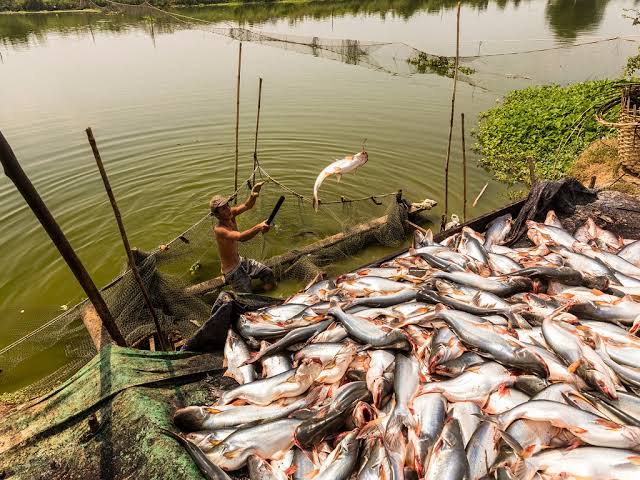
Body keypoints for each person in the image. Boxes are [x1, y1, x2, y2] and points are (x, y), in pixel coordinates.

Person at [210, 182, 276, 293]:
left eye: (227, 205)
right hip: (232, 270)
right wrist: (259, 227)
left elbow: (247, 205)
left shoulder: (231, 214)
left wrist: (253, 195)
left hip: (240, 261)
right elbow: (240, 237)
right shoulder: (219, 229)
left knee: (268, 273)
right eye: (223, 209)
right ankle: (250, 297)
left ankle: (258, 294)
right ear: (217, 215)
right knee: (246, 295)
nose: (228, 209)